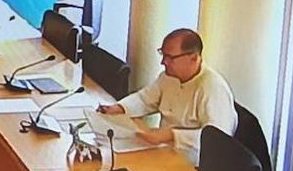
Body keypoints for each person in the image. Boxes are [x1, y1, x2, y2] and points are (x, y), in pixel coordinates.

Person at [98, 28, 237, 164]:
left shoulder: (213, 88)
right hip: (162, 150)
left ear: (194, 58)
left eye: (170, 57)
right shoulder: (169, 77)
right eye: (162, 54)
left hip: (192, 163)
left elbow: (217, 140)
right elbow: (145, 99)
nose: (163, 62)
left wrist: (173, 135)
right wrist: (119, 108)